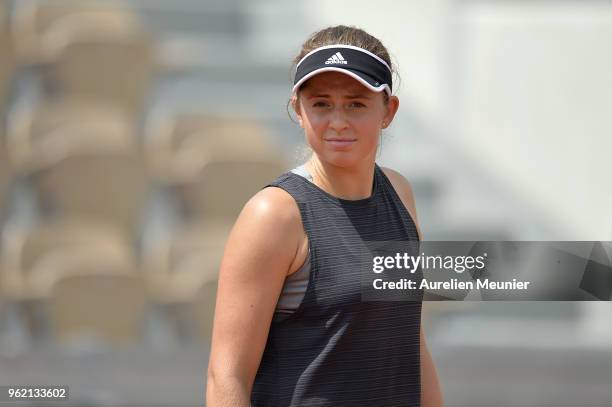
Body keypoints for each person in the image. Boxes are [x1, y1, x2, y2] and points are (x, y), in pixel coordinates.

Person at [206, 25, 443, 407]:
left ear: (389, 111)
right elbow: (225, 377)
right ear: (297, 110)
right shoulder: (274, 214)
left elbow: (409, 338)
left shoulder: (400, 193)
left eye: (355, 104)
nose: (337, 121)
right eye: (321, 104)